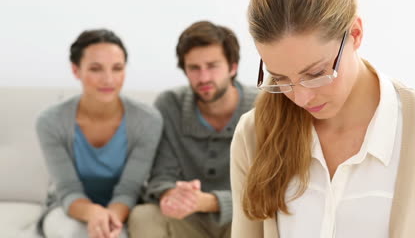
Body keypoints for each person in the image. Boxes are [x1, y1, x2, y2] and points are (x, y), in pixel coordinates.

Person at [230, 0, 415, 237]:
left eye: (316, 74)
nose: (301, 98)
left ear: (355, 33)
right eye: (281, 78)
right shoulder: (253, 136)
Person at [128, 21, 257, 238]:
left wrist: (210, 202)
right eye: (194, 68)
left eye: (212, 66)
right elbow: (161, 177)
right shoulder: (170, 105)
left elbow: (272, 189)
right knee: (143, 216)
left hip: (243, 218)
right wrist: (175, 196)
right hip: (188, 220)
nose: (203, 78)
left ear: (232, 67)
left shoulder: (261, 108)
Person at [36, 29, 163, 238]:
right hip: (68, 208)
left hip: (123, 209)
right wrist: (94, 213)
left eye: (117, 68)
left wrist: (108, 218)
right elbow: (67, 189)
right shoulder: (50, 122)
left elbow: (129, 189)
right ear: (76, 70)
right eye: (96, 69)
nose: (108, 79)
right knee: (75, 234)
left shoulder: (148, 120)